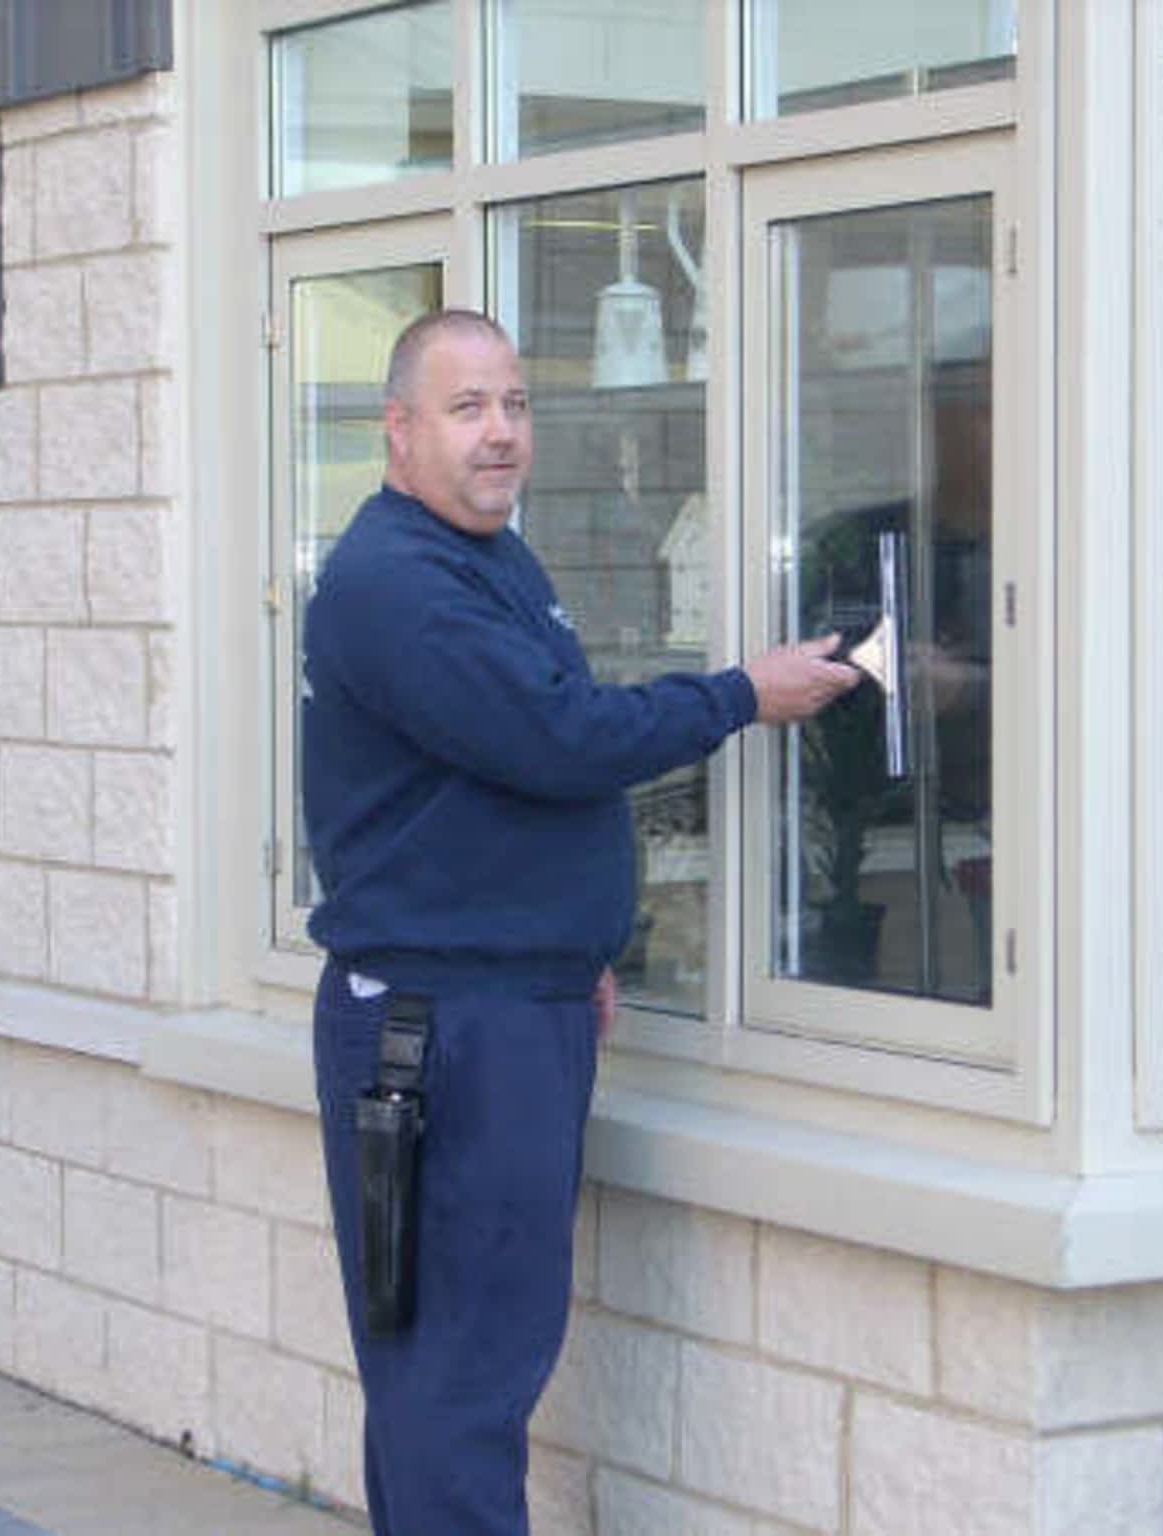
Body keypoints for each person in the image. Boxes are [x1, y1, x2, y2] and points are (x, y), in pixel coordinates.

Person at [301, 307, 858, 1535]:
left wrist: (572, 949)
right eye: (466, 408)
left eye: (513, 404)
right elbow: (557, 740)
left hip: (507, 1002)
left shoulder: (485, 556)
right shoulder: (397, 583)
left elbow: (503, 764)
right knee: (459, 1373)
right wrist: (740, 696)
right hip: (444, 1028)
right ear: (396, 429)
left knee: (457, 1365)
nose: (499, 434)